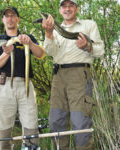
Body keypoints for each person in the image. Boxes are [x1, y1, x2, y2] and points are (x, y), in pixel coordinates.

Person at [42, 0, 104, 150]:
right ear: (60, 10)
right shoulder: (54, 28)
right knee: (56, 121)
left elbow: (100, 50)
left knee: (80, 122)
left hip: (79, 75)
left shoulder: (89, 25)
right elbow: (49, 52)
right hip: (58, 76)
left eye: (71, 5)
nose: (67, 9)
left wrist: (88, 47)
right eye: (64, 6)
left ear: (77, 8)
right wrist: (48, 33)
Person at [0, 6, 45, 150]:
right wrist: (6, 53)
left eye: (13, 15)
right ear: (3, 20)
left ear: (18, 19)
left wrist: (30, 43)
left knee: (31, 122)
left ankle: (31, 146)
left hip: (25, 84)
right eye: (7, 16)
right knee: (3, 124)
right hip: (4, 85)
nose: (10, 18)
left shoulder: (28, 37)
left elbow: (40, 55)